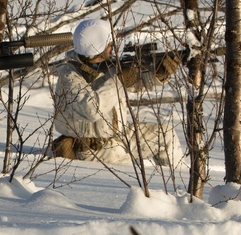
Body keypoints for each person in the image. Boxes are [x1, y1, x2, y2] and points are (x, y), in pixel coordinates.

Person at [51, 18, 182, 167]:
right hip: (93, 150)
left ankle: (177, 184)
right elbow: (92, 109)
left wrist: (158, 74)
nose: (112, 49)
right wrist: (118, 80)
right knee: (131, 180)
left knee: (165, 134)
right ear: (97, 47)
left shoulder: (107, 65)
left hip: (121, 137)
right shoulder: (69, 76)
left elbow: (135, 82)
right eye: (109, 45)